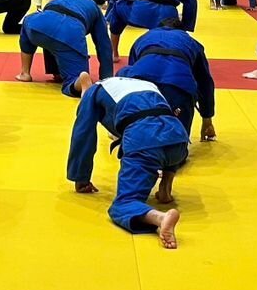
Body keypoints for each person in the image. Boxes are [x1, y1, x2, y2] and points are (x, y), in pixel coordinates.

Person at [66, 75, 189, 246]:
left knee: (124, 203)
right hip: (179, 139)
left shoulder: (95, 91)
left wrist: (81, 177)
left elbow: (83, 133)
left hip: (144, 141)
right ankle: (165, 188)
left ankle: (160, 218)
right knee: (161, 134)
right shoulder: (147, 85)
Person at [119, 22, 216, 143]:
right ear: (182, 31)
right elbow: (205, 83)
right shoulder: (191, 42)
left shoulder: (142, 38)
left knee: (138, 135)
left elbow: (129, 79)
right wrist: (207, 119)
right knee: (176, 142)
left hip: (142, 82)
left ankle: (126, 136)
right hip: (178, 85)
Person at [17, 0, 113, 97]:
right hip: (70, 32)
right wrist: (106, 78)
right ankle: (78, 82)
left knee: (47, 35)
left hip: (38, 25)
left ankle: (25, 73)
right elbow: (104, 46)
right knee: (75, 77)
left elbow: (51, 34)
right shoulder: (94, 8)